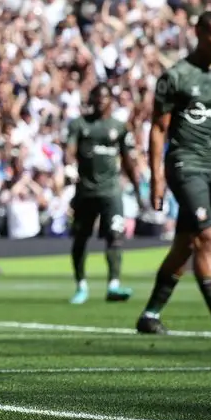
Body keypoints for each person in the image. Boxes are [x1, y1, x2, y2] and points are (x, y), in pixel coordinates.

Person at [137, 12, 211, 336]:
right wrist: (157, 177)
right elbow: (158, 130)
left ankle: (149, 315)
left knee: (186, 244)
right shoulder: (176, 76)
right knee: (206, 236)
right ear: (198, 33)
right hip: (183, 164)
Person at [64, 83, 141, 305]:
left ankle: (114, 285)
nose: (100, 101)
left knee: (115, 236)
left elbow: (128, 161)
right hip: (85, 191)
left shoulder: (119, 127)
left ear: (111, 100)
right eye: (96, 97)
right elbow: (69, 151)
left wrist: (138, 190)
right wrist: (69, 167)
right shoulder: (79, 125)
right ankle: (81, 285)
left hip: (111, 191)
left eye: (105, 97)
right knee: (80, 238)